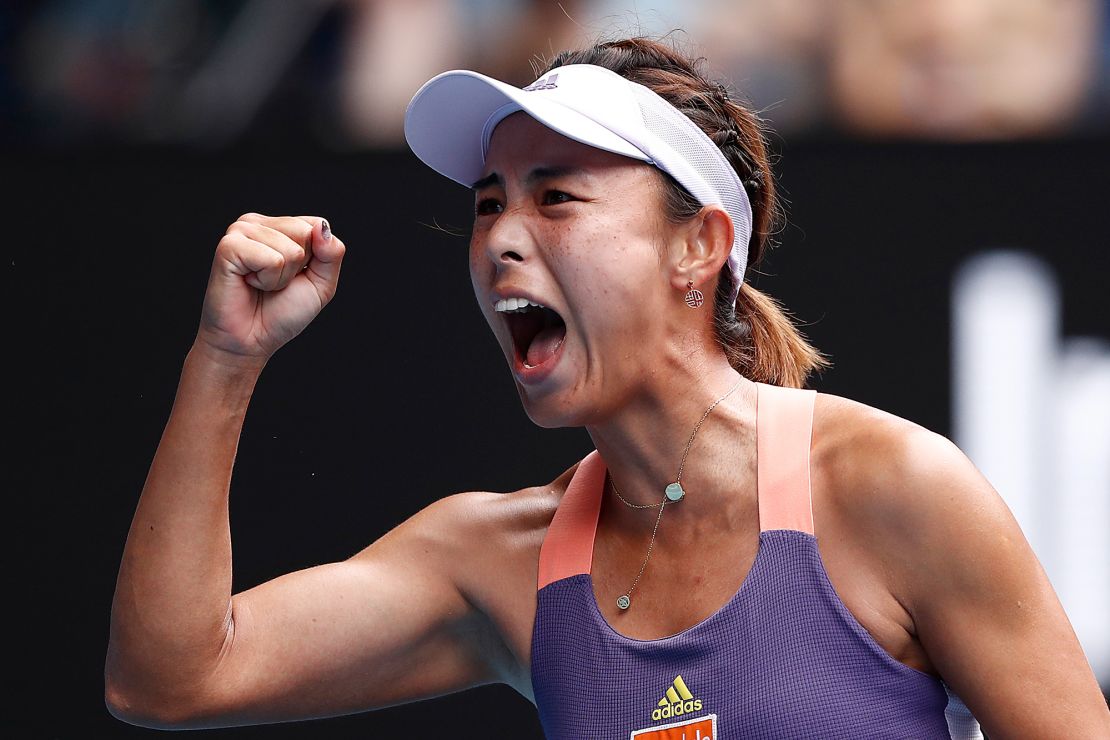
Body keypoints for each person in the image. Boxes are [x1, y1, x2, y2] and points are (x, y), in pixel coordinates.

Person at [105, 37, 1110, 738]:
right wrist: (225, 360)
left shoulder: (898, 489)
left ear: (698, 246)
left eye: (557, 198)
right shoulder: (497, 558)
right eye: (489, 202)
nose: (500, 236)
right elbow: (168, 676)